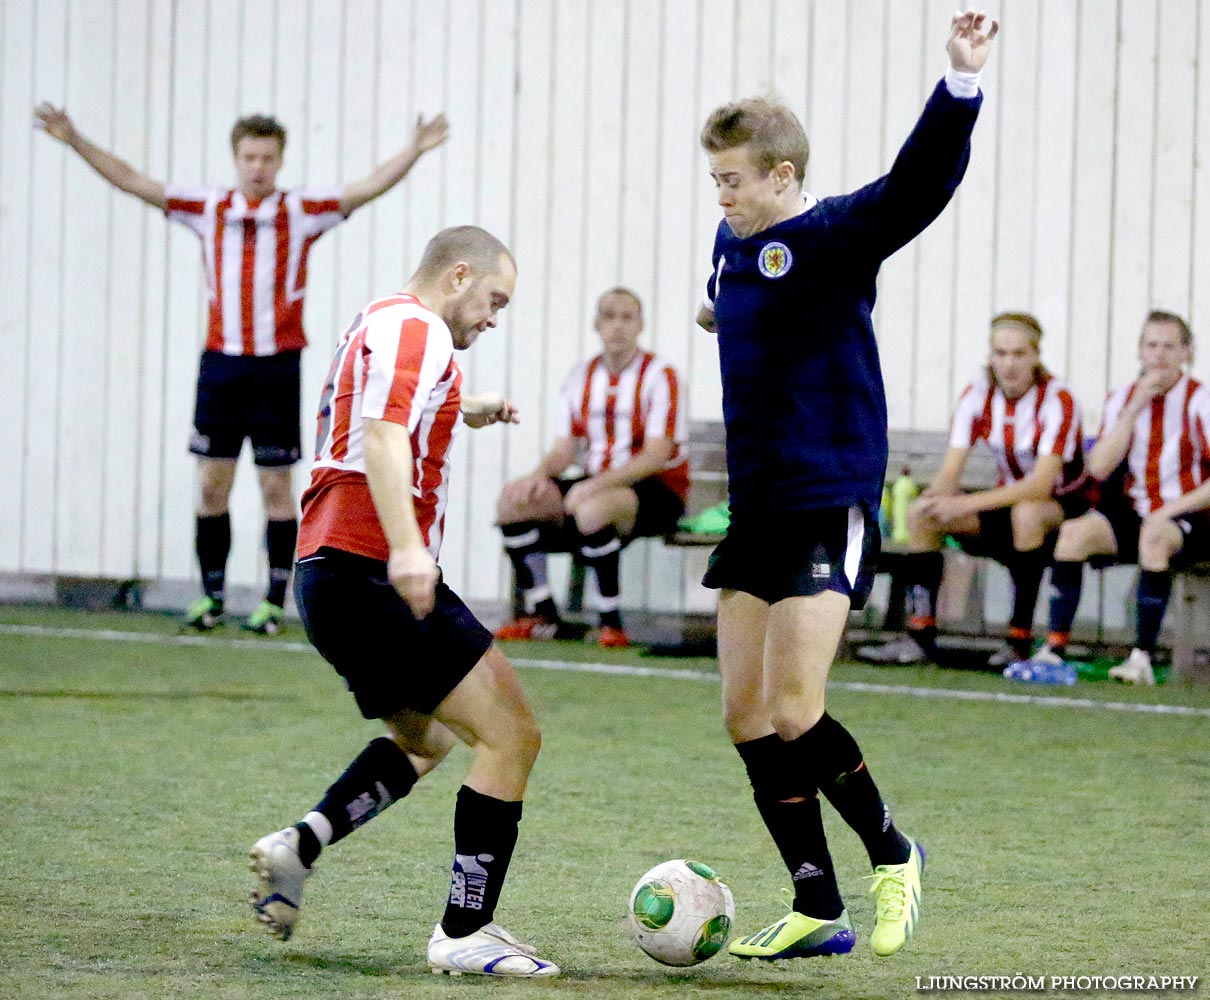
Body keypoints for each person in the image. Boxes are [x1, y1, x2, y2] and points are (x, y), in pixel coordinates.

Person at [693, 10, 997, 962]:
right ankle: (816, 902)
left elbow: (917, 187)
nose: (724, 196)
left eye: (735, 181)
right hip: (758, 505)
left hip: (830, 496)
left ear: (783, 176)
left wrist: (959, 84)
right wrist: (716, 314)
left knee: (796, 708)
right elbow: (739, 301)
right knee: (746, 714)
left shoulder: (832, 235)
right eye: (715, 181)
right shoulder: (730, 243)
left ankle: (893, 852)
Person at [248, 225, 559, 978]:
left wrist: (465, 407)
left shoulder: (380, 319)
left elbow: (388, 410)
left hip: (326, 574)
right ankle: (466, 931)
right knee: (511, 736)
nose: (493, 317)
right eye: (494, 299)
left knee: (426, 741)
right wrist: (409, 548)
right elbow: (383, 435)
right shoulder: (420, 329)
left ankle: (302, 844)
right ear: (457, 275)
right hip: (371, 565)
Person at [33, 103, 449, 636]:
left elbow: (362, 190)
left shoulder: (300, 211)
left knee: (277, 487)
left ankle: (275, 602)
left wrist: (413, 150)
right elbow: (135, 181)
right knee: (212, 484)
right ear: (235, 158)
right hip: (221, 366)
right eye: (249, 157)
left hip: (277, 367)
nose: (258, 167)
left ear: (280, 161)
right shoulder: (208, 207)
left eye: (267, 158)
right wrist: (75, 139)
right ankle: (210, 598)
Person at [859, 313, 1085, 668]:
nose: (1008, 364)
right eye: (1001, 353)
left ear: (1036, 356)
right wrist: (938, 501)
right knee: (923, 514)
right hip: (1004, 504)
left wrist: (965, 505)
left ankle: (1018, 641)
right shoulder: (978, 393)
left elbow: (1041, 486)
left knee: (1027, 514)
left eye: (1019, 354)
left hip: (1060, 510)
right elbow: (951, 470)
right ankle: (919, 636)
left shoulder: (1058, 399)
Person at [494, 287, 688, 648]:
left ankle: (609, 623)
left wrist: (595, 486)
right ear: (596, 324)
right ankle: (544, 615)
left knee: (592, 507)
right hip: (597, 482)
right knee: (513, 501)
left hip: (655, 488)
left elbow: (657, 454)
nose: (617, 326)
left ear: (640, 325)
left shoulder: (661, 375)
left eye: (626, 317)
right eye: (609, 316)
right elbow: (564, 448)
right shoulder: (582, 376)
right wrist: (537, 477)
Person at [1028, 311, 1210, 685]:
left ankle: (1142, 656)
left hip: (1190, 515)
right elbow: (1097, 466)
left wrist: (1168, 512)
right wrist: (1133, 409)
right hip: (1136, 512)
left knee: (1155, 535)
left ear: (1186, 352)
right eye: (1151, 345)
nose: (1159, 355)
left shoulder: (1200, 400)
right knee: (1073, 534)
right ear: (1140, 351)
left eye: (1169, 346)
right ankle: (1054, 648)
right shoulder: (1124, 397)